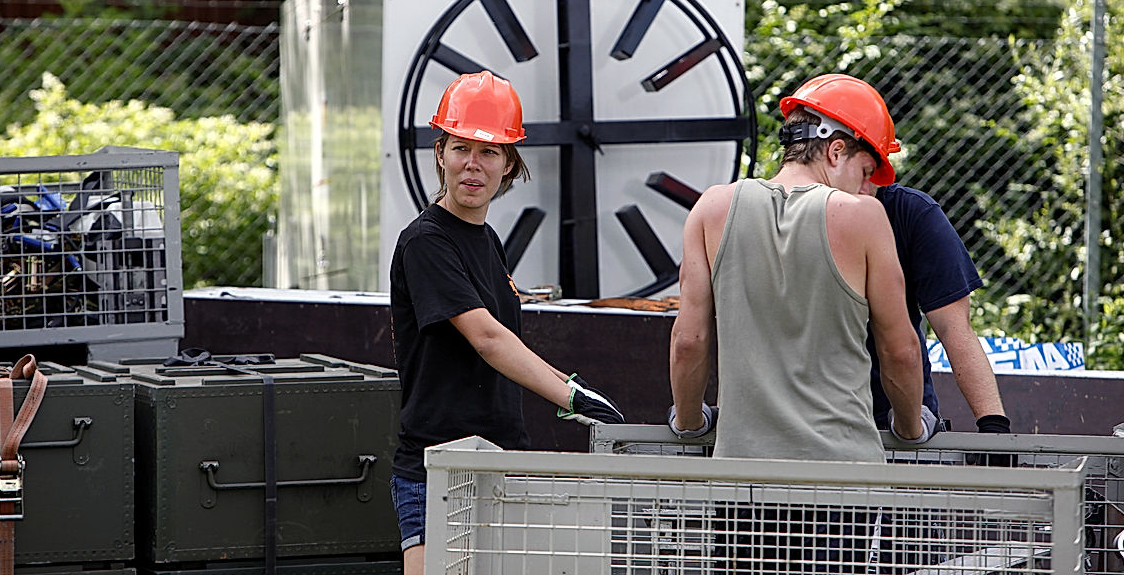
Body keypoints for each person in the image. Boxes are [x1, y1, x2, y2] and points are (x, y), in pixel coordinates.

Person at [668, 73, 937, 571]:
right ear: (835, 151)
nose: (867, 189)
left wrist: (688, 424)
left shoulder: (711, 209)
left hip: (742, 480)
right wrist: (909, 426)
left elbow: (690, 341)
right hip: (840, 481)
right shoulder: (863, 221)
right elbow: (900, 351)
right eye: (864, 171)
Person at [388, 70, 625, 575]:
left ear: (509, 162)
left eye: (489, 151)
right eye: (461, 148)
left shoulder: (487, 239)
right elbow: (489, 338)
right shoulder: (426, 241)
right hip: (437, 467)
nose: (473, 165)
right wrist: (572, 398)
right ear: (440, 154)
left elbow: (504, 339)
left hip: (499, 461)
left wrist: (573, 386)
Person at [862, 181, 1010, 436]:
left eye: (873, 169)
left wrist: (993, 424)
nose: (865, 181)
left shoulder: (912, 212)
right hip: (814, 417)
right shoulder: (794, 212)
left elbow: (955, 329)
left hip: (898, 424)